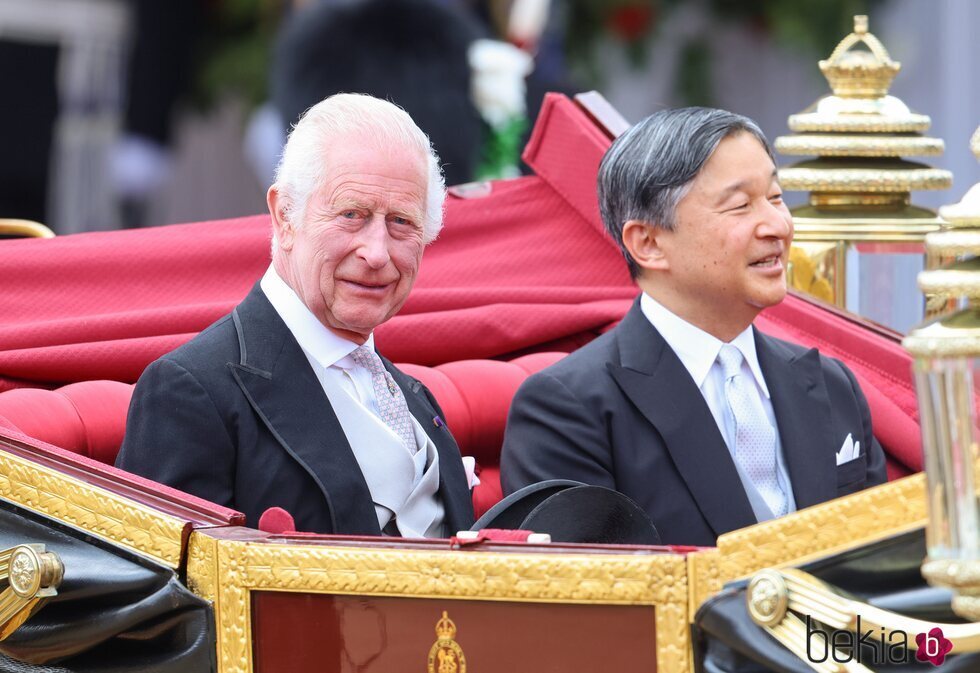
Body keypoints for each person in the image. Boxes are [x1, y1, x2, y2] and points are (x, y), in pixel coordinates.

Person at [500, 107, 886, 547]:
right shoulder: (569, 409)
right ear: (648, 243)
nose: (778, 226)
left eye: (776, 198)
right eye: (740, 206)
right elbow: (587, 600)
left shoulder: (830, 385)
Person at [117, 94, 475, 537]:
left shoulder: (417, 400)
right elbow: (169, 595)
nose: (377, 253)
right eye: (351, 215)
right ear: (285, 216)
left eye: (401, 222)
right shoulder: (190, 392)